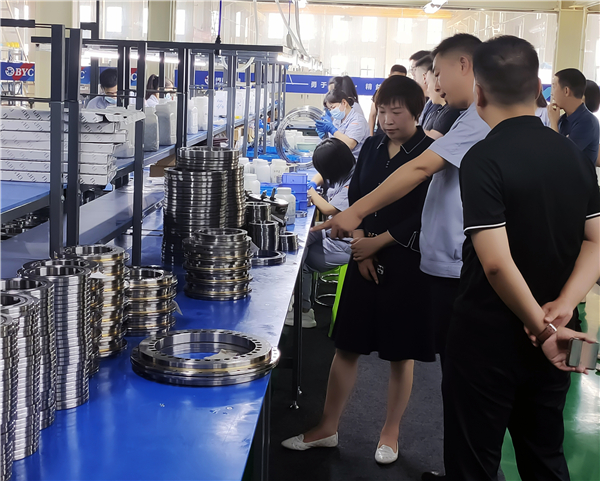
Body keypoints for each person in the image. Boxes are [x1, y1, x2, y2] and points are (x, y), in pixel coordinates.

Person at [429, 35, 600, 481]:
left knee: (474, 463)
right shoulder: (573, 156)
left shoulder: (483, 158)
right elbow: (596, 241)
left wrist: (539, 327)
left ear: (479, 92)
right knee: (544, 456)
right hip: (559, 335)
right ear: (539, 87)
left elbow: (496, 263)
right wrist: (562, 308)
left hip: (488, 336)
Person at [282, 75, 436, 464]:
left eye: (396, 112)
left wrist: (379, 242)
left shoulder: (430, 152)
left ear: (416, 112)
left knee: (401, 353)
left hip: (404, 261)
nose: (387, 120)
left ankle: (390, 433)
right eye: (382, 111)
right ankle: (327, 427)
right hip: (361, 254)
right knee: (347, 345)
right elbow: (357, 196)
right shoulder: (371, 147)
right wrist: (362, 246)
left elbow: (425, 212)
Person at [314, 34, 490, 367]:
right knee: (351, 344)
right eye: (382, 112)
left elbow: (421, 172)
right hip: (436, 259)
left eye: (438, 73)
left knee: (419, 355)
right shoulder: (465, 118)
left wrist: (356, 216)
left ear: (464, 65)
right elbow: (361, 190)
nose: (436, 84)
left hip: (429, 260)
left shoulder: (476, 121)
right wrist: (361, 237)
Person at [285, 138, 355, 329]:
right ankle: (295, 298)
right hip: (333, 232)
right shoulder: (346, 169)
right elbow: (320, 177)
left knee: (302, 261)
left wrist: (311, 192)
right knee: (300, 241)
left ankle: (303, 311)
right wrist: (313, 184)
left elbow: (329, 209)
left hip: (347, 242)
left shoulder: (353, 181)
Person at [548, 68, 600, 165]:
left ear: (566, 91)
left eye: (554, 86)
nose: (552, 93)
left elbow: (562, 155)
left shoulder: (587, 122)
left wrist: (554, 123)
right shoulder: (563, 119)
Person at [316, 89, 370, 160]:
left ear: (344, 102)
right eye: (329, 109)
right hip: (340, 160)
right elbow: (334, 142)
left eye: (333, 107)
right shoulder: (337, 120)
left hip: (355, 162)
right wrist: (325, 137)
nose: (332, 111)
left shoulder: (358, 120)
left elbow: (350, 144)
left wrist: (332, 130)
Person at [421, 56, 461, 139]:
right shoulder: (439, 110)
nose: (427, 89)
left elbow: (431, 139)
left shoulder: (451, 111)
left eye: (428, 84)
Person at [369, 65, 409, 135]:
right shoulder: (380, 92)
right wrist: (371, 135)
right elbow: (372, 115)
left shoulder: (408, 95)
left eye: (401, 79)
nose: (397, 81)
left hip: (400, 134)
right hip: (382, 133)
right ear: (389, 76)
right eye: (394, 78)